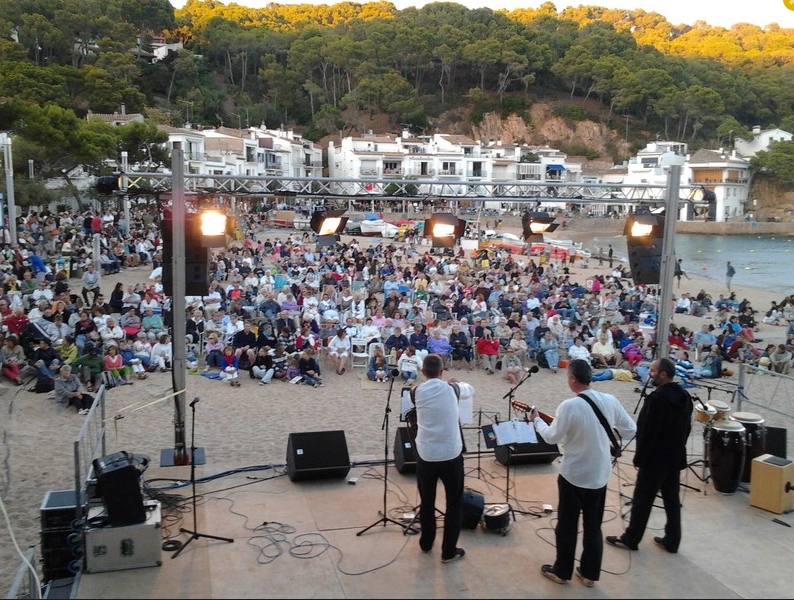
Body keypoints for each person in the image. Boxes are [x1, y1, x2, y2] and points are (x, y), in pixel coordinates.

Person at [528, 359, 636, 586]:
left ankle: (562, 571)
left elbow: (551, 437)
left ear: (573, 379)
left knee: (567, 525)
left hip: (574, 474)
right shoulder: (610, 400)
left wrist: (536, 421)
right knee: (593, 526)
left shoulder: (569, 405)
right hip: (600, 474)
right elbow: (630, 430)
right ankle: (589, 574)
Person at [606, 357, 692, 554]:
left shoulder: (657, 399)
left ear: (663, 374)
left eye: (652, 371)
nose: (649, 375)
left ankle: (631, 538)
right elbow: (686, 429)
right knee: (671, 500)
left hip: (655, 460)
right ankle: (672, 540)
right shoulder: (685, 396)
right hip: (674, 457)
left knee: (642, 500)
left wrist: (639, 458)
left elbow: (647, 432)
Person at [413, 354, 469, 563]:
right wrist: (453, 383)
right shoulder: (452, 389)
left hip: (426, 454)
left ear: (423, 372)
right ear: (443, 370)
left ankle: (426, 543)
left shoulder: (416, 391)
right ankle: (448, 551)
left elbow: (415, 391)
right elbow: (468, 389)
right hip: (450, 453)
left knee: (427, 501)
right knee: (454, 502)